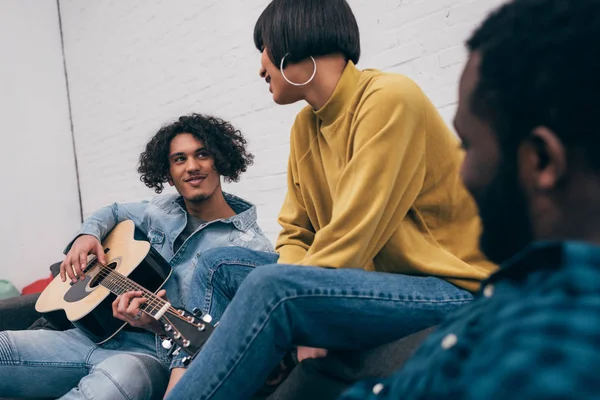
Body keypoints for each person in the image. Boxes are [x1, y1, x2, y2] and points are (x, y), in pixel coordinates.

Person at [164, 0, 497, 398]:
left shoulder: (390, 99)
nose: (260, 68)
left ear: (293, 43)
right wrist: (305, 294)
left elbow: (354, 234)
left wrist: (305, 304)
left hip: (453, 288)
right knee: (221, 264)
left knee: (272, 289)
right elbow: (294, 231)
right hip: (373, 281)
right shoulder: (306, 127)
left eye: (264, 50)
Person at [338, 0, 600, 398]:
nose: (460, 172)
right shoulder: (525, 287)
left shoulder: (548, 351)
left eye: (468, 145)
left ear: (542, 160)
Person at [0, 113, 273, 400]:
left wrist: (155, 323)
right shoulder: (160, 210)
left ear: (220, 159)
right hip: (85, 335)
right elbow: (113, 211)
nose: (192, 166)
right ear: (168, 173)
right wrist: (87, 236)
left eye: (202, 155)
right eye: (179, 159)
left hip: (148, 357)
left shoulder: (249, 250)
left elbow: (219, 340)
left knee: (115, 383)